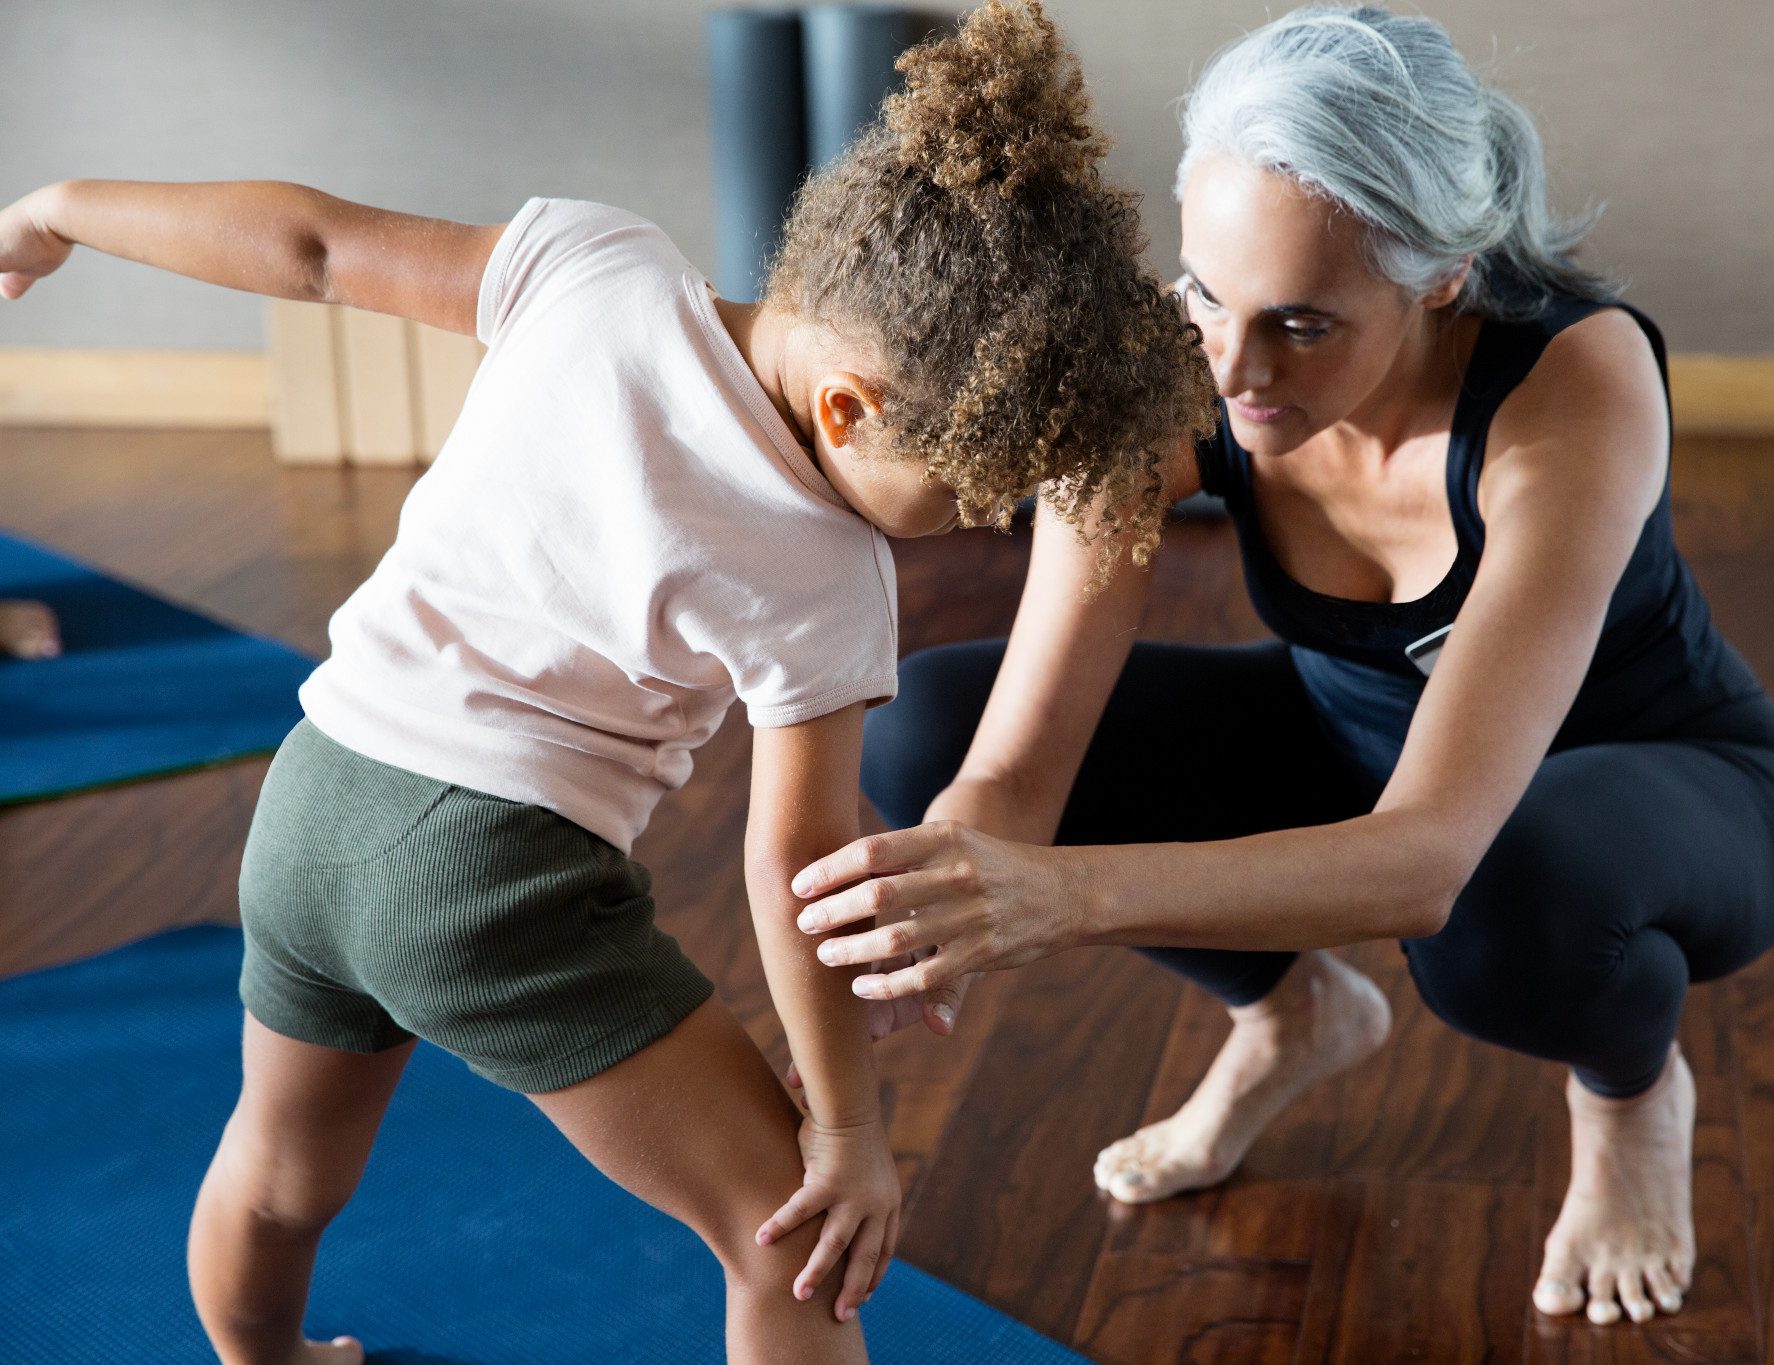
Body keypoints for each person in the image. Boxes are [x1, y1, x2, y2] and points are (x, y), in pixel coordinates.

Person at [0, 3, 1213, 1359]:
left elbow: (314, 248)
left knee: (282, 1169)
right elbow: (794, 856)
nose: (973, 523)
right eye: (967, 492)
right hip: (490, 877)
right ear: (851, 410)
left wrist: (61, 209)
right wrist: (851, 1126)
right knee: (795, 1238)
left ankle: (261, 1355)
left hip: (313, 803)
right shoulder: (828, 574)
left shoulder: (595, 261)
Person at [798, 4, 1774, 1332]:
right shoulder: (1189, 366)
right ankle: (1293, 1019)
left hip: (1657, 793)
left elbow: (1426, 857)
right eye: (1206, 294)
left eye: (1301, 324)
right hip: (1355, 750)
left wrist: (1052, 898)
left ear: (1441, 275)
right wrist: (942, 905)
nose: (1230, 368)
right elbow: (1015, 768)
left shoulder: (1575, 386)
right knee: (926, 726)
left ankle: (1628, 1093)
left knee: (1504, 901)